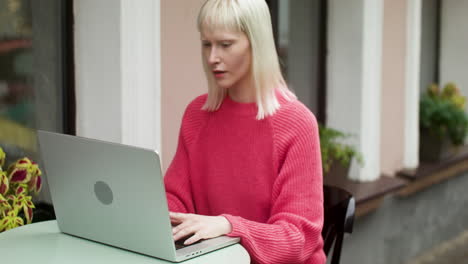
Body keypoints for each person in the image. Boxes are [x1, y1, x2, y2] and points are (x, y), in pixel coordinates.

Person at [164, 0, 326, 263]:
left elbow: (297, 238)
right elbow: (176, 198)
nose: (212, 57)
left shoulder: (296, 123)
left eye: (225, 45)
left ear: (256, 44)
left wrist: (229, 226)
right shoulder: (197, 115)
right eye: (207, 44)